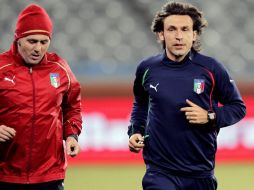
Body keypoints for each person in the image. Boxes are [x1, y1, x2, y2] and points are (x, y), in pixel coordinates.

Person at [128, 2, 246, 190]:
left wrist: (209, 116)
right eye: (172, 29)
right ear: (161, 34)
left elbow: (238, 107)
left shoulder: (211, 69)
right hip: (159, 171)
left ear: (195, 34)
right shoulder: (147, 68)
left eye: (185, 29)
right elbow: (141, 104)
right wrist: (135, 131)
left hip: (200, 172)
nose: (179, 36)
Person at [0, 4, 82, 190]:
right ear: (18, 39)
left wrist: (71, 136)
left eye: (44, 42)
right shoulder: (1, 67)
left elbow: (72, 106)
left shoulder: (59, 68)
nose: (38, 48)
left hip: (49, 174)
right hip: (5, 175)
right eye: (32, 41)